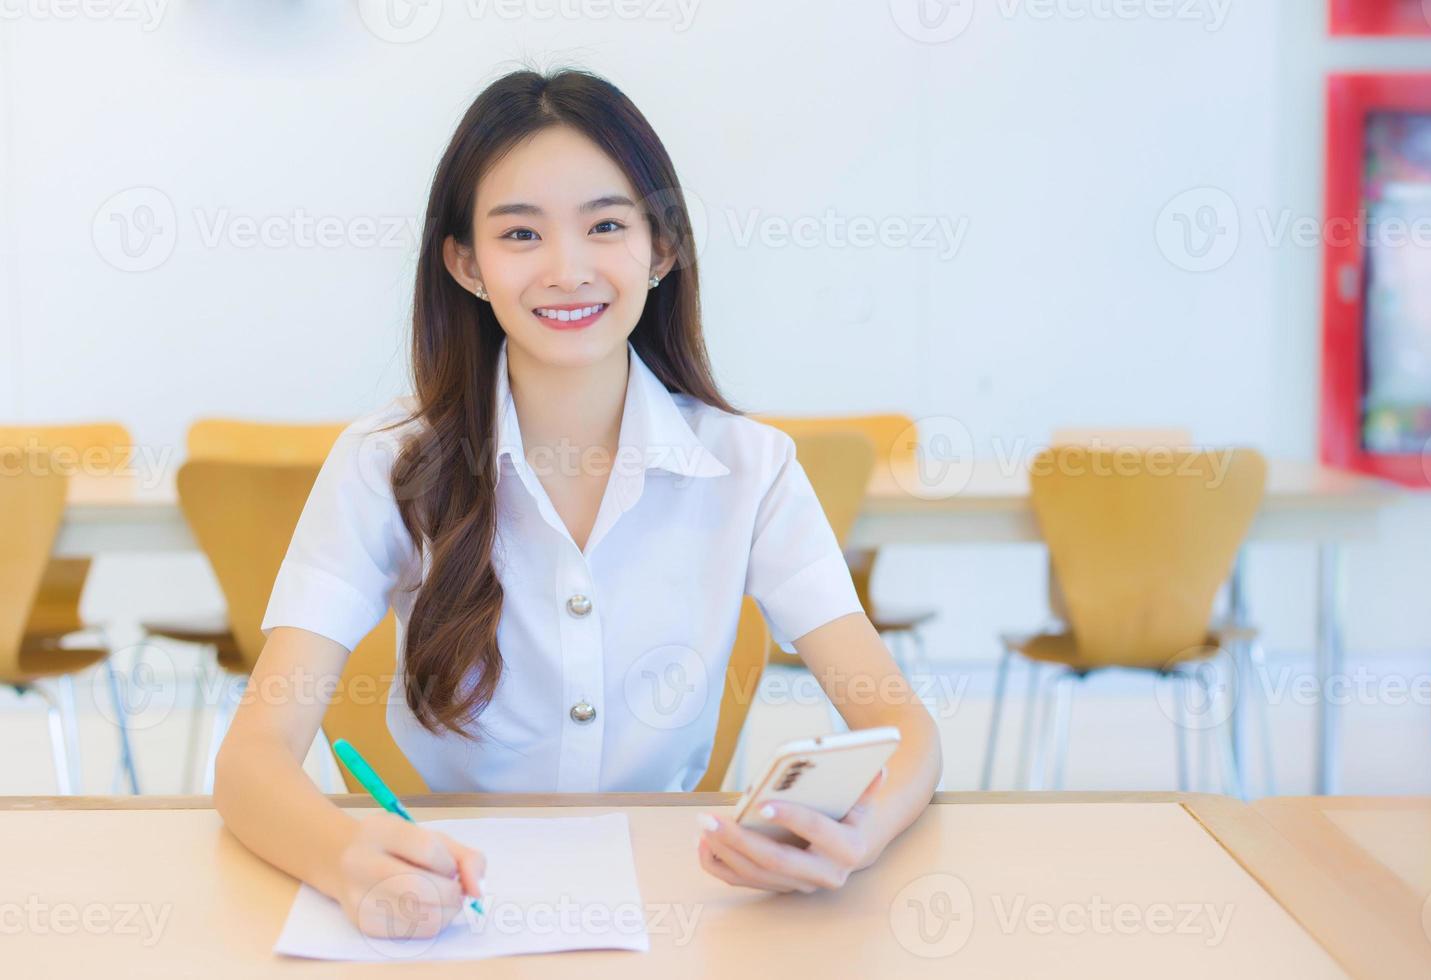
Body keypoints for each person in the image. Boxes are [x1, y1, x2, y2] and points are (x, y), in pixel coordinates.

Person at [213, 66, 942, 940]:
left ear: (661, 249)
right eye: (520, 233)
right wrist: (343, 857)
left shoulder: (751, 468)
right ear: (466, 263)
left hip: (681, 904)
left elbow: (903, 729)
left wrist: (852, 836)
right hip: (449, 906)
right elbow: (252, 760)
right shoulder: (386, 464)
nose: (567, 270)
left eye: (605, 225)